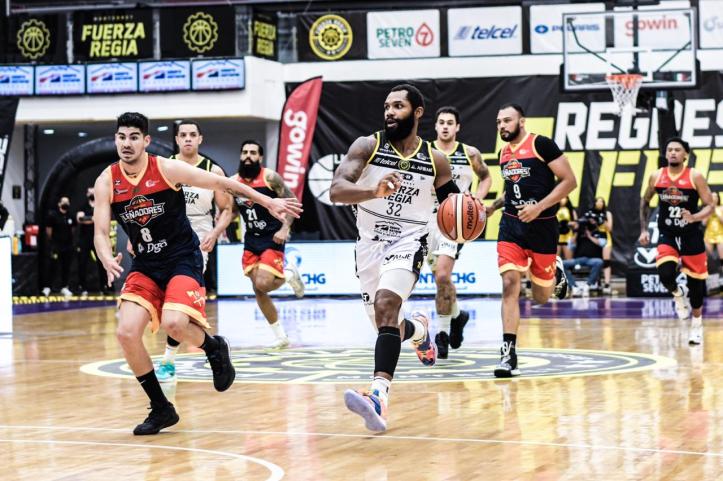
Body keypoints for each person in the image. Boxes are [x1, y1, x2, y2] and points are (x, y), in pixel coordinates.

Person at [93, 112, 301, 435]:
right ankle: (161, 408)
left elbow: (223, 183)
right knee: (126, 333)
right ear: (116, 140)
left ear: (146, 141)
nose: (127, 143)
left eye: (134, 137)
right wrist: (106, 257)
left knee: (175, 323)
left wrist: (266, 201)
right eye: (122, 137)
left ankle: (213, 347)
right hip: (146, 264)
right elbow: (99, 230)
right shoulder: (107, 180)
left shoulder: (166, 168)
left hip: (181, 257)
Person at [330, 84, 458, 432]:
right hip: (369, 244)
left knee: (387, 305)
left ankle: (377, 396)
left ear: (417, 112)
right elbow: (337, 190)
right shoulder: (367, 146)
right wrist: (372, 190)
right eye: (387, 106)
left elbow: (454, 206)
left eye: (398, 106)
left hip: (409, 240)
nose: (389, 112)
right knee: (388, 327)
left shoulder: (436, 159)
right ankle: (419, 331)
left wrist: (470, 216)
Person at [486, 103, 576, 378]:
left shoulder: (541, 144)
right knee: (509, 284)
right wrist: (494, 206)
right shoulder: (503, 153)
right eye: (498, 122)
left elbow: (569, 181)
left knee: (540, 298)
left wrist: (539, 207)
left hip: (543, 228)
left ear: (521, 121)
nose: (502, 126)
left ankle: (556, 272)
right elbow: (511, 189)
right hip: (511, 227)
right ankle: (508, 354)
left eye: (507, 120)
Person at [155, 120, 234, 383]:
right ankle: (208, 345)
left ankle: (168, 360)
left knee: (180, 301)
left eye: (192, 134)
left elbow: (226, 209)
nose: (188, 139)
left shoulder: (212, 170)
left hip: (198, 237)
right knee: (166, 302)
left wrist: (215, 232)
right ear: (177, 140)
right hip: (166, 235)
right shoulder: (163, 166)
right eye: (183, 135)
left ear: (200, 139)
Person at [427, 106, 491, 359]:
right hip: (426, 221)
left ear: (457, 127)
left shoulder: (469, 153)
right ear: (436, 126)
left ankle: (441, 334)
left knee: (443, 275)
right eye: (441, 122)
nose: (445, 126)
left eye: (449, 123)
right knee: (439, 280)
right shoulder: (425, 151)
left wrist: (477, 200)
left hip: (454, 223)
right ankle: (457, 316)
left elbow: (486, 177)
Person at [230, 139, 305, 350]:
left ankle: (289, 274)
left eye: (253, 152)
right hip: (251, 239)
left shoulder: (270, 178)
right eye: (245, 152)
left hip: (273, 237)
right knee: (258, 289)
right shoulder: (233, 182)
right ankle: (281, 336)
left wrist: (285, 229)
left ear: (260, 157)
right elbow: (232, 210)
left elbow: (293, 203)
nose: (248, 156)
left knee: (263, 283)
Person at [639, 137, 715, 345]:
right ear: (666, 154)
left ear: (685, 155)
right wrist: (643, 230)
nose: (672, 152)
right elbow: (645, 201)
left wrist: (695, 217)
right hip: (668, 234)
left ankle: (696, 326)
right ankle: (678, 293)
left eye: (677, 150)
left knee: (696, 286)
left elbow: (710, 205)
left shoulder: (694, 176)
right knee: (665, 274)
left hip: (691, 235)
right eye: (669, 149)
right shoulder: (656, 176)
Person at [562, 215, 606, 297]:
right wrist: (576, 231)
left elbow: (602, 243)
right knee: (561, 264)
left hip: (592, 259)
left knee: (599, 262)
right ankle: (574, 286)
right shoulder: (579, 233)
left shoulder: (599, 233)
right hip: (578, 259)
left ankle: (588, 285)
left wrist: (589, 236)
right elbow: (570, 245)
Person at [76, 187, 109, 295]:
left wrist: (90, 219)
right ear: (87, 194)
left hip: (98, 238)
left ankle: (104, 287)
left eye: (93, 192)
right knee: (82, 262)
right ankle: (82, 287)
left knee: (101, 262)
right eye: (90, 193)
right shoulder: (83, 206)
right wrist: (93, 219)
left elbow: (104, 219)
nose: (92, 194)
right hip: (85, 239)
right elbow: (80, 219)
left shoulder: (100, 205)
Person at [43, 196, 75, 298]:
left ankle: (64, 287)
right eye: (64, 202)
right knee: (53, 266)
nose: (66, 204)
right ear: (59, 204)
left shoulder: (70, 216)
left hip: (67, 245)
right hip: (56, 244)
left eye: (67, 202)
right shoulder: (53, 215)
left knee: (66, 266)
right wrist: (53, 241)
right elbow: (49, 231)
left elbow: (73, 230)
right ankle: (47, 287)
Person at [591, 196, 614, 294]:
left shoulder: (607, 214)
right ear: (595, 203)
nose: (600, 203)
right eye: (598, 201)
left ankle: (607, 283)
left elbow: (610, 228)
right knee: (596, 261)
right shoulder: (591, 214)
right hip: (595, 238)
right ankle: (597, 282)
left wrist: (602, 219)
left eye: (602, 201)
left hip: (606, 238)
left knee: (606, 261)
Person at [703, 192, 723, 279]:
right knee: (706, 257)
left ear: (718, 198)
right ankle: (706, 275)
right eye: (712, 196)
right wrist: (710, 212)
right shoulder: (706, 209)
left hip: (720, 235)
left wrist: (717, 212)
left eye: (715, 196)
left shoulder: (721, 208)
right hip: (709, 235)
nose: (714, 198)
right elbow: (703, 223)